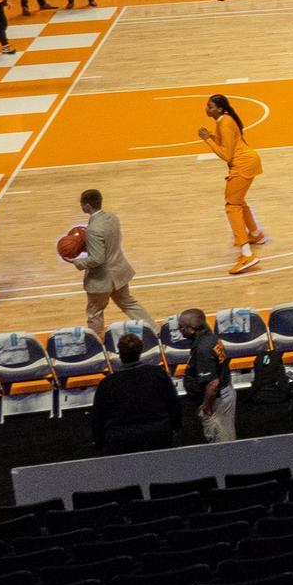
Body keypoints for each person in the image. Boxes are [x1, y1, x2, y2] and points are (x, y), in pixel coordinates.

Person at [199, 94, 269, 272]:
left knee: (232, 206)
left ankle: (247, 255)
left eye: (211, 106)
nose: (207, 109)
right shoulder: (225, 120)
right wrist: (213, 137)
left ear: (220, 109)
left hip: (243, 165)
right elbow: (227, 144)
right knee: (238, 201)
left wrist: (207, 139)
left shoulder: (225, 123)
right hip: (247, 161)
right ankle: (255, 234)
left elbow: (226, 155)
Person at [72, 189, 150, 338]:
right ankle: (154, 330)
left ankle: (96, 344)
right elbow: (109, 243)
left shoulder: (93, 230)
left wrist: (78, 262)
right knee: (129, 303)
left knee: (95, 312)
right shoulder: (112, 218)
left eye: (81, 203)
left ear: (87, 206)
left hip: (101, 280)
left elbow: (97, 259)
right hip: (119, 272)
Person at [91, 333, 181, 454]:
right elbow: (173, 403)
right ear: (140, 351)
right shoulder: (158, 374)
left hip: (121, 440)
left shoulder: (107, 383)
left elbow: (98, 417)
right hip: (158, 435)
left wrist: (99, 443)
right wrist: (175, 427)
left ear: (119, 354)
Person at [177, 309, 235, 443]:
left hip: (216, 402)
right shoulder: (209, 336)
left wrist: (207, 407)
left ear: (192, 329)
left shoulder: (203, 348)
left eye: (182, 327)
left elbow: (213, 384)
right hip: (222, 396)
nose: (179, 330)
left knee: (222, 441)